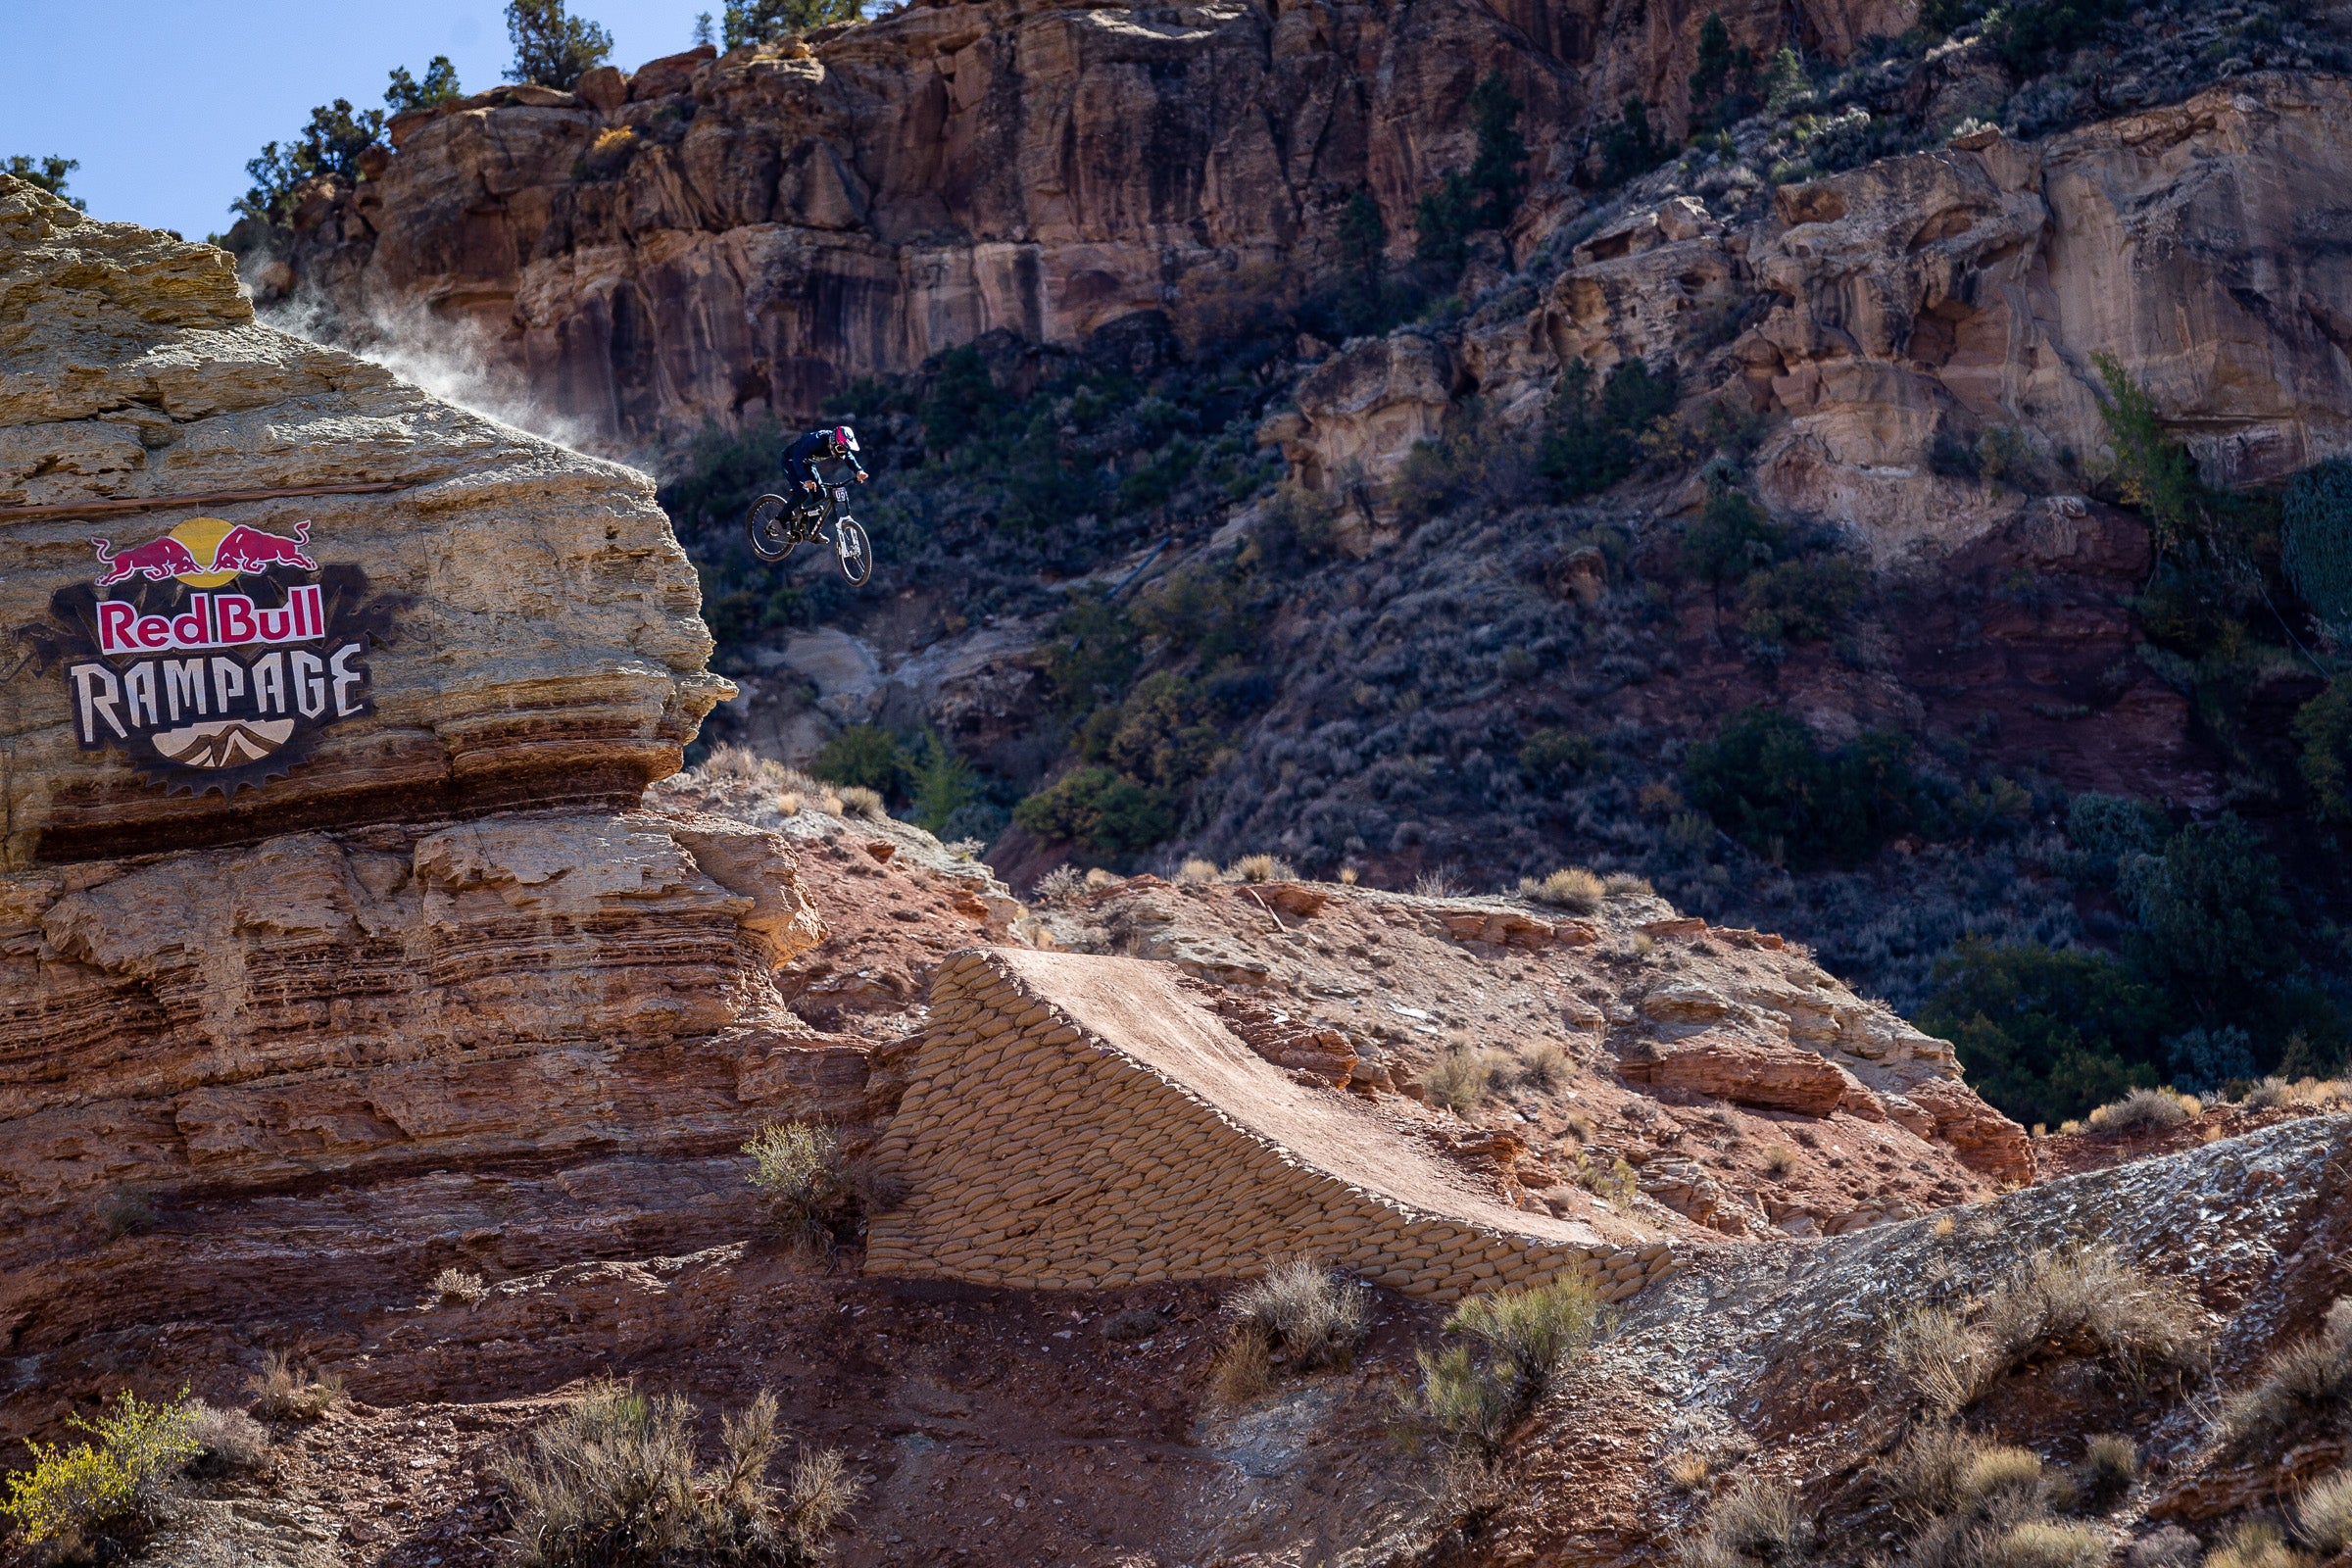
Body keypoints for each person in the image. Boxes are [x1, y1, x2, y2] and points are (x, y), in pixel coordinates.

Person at [782, 424, 868, 513]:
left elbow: (849, 457)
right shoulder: (816, 441)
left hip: (807, 464)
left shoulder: (838, 444)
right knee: (802, 492)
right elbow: (797, 458)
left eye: (845, 449)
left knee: (821, 494)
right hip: (791, 461)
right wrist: (806, 479)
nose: (843, 452)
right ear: (833, 442)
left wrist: (858, 471)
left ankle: (811, 526)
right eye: (841, 449)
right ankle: (779, 520)